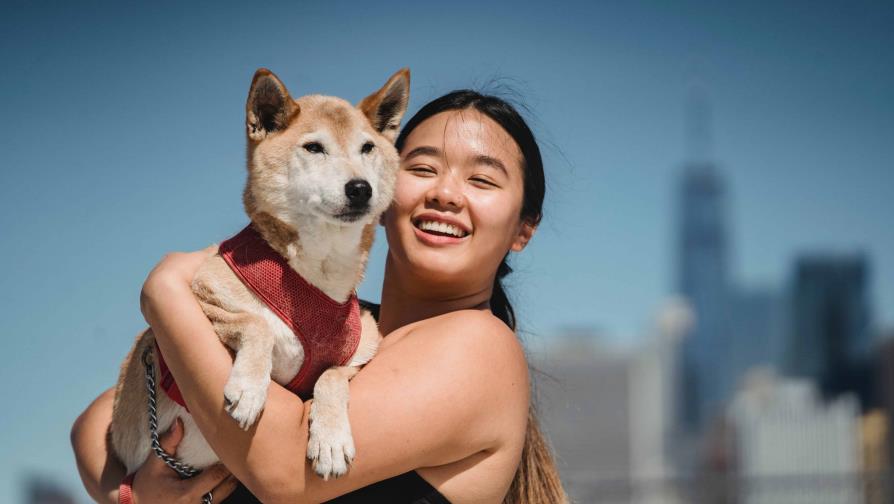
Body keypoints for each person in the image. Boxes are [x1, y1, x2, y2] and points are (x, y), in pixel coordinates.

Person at [71, 90, 568, 503]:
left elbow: (284, 469)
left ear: (524, 229)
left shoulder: (478, 347)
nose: (446, 193)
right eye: (421, 169)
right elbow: (97, 422)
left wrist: (166, 294)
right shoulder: (340, 329)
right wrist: (131, 493)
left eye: (482, 179)